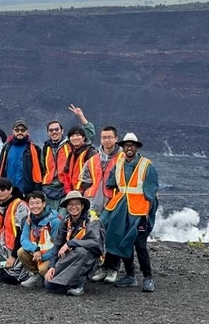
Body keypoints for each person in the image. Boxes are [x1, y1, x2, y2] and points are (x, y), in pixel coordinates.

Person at [101, 133, 159, 292]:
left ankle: (148, 278)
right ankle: (130, 275)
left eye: (132, 145)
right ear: (123, 147)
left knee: (140, 245)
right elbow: (111, 183)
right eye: (126, 145)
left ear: (136, 147)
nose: (129, 147)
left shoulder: (147, 165)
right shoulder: (118, 164)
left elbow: (152, 193)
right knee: (122, 241)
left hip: (139, 213)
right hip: (121, 211)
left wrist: (148, 216)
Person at [81, 126, 124, 283]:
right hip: (95, 205)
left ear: (116, 138)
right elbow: (84, 179)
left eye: (110, 137)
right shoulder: (93, 160)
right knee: (96, 236)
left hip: (114, 204)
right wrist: (86, 194)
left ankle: (113, 269)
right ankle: (101, 267)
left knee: (113, 237)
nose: (107, 140)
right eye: (104, 137)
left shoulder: (123, 158)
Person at [44, 191, 105, 296]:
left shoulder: (92, 220)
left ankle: (78, 285)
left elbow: (95, 243)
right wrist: (52, 266)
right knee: (49, 284)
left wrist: (71, 243)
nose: (73, 207)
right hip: (71, 255)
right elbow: (57, 244)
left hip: (90, 258)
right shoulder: (66, 220)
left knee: (82, 252)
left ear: (82, 206)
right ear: (67, 207)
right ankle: (68, 281)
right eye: (70, 204)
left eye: (77, 204)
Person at [41, 105, 95, 209]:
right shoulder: (45, 148)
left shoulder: (71, 144)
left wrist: (81, 117)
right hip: (48, 187)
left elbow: (88, 135)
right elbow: (42, 166)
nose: (54, 132)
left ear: (62, 131)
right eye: (51, 130)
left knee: (63, 215)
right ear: (48, 133)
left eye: (56, 129)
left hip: (65, 187)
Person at [0, 177, 30, 285]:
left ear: (11, 190)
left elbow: (22, 233)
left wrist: (13, 256)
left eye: (3, 189)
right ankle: (4, 267)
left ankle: (18, 272)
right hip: (4, 245)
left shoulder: (20, 205)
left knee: (10, 279)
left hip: (20, 247)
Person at [18, 191, 62, 288]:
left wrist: (42, 257)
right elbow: (24, 239)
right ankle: (36, 276)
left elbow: (58, 245)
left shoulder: (54, 221)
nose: (35, 206)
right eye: (32, 203)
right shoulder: (29, 219)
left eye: (38, 203)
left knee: (43, 269)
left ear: (44, 204)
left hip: (52, 256)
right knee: (21, 252)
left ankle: (48, 275)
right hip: (37, 253)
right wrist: (35, 250)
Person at [0, 120, 42, 194]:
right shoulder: (6, 148)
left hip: (26, 191)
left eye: (22, 130)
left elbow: (39, 170)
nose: (20, 132)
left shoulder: (33, 149)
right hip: (8, 191)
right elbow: (1, 168)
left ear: (27, 132)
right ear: (13, 132)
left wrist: (37, 190)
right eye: (17, 130)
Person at [63, 126, 98, 195]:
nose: (75, 138)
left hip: (87, 192)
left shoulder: (91, 152)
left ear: (84, 138)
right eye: (72, 136)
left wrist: (82, 190)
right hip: (72, 191)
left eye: (78, 135)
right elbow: (66, 172)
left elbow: (95, 175)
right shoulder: (71, 154)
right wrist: (68, 189)